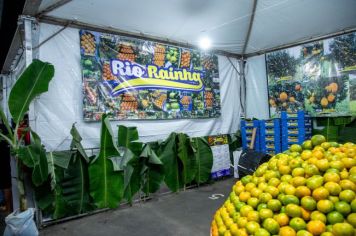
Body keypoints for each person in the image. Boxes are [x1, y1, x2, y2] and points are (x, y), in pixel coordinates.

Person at [0, 121, 12, 214]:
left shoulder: (4, 128)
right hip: (6, 160)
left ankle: (6, 207)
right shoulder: (6, 127)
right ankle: (7, 208)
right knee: (6, 185)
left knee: (5, 185)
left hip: (4, 160)